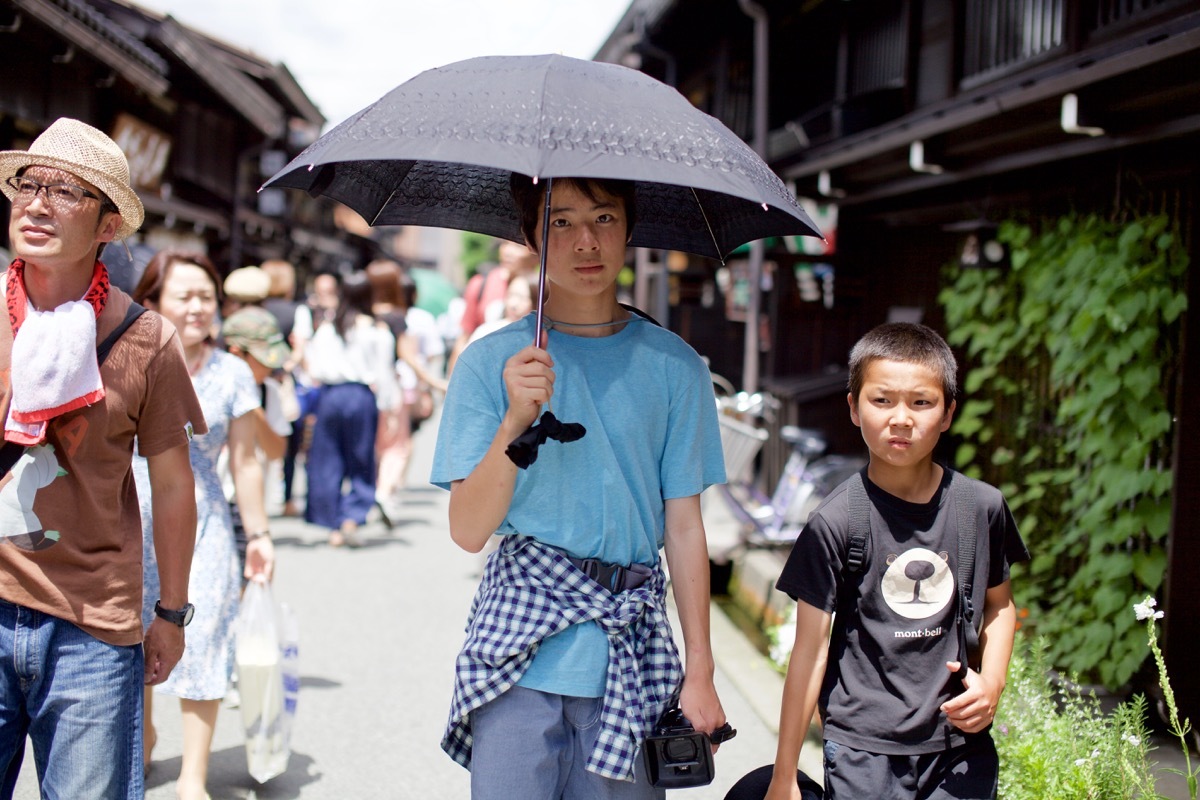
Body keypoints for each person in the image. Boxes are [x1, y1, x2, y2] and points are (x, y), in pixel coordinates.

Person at [431, 174, 727, 798]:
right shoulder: (491, 364)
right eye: (560, 222)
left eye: (604, 218)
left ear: (629, 227)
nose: (585, 242)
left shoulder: (675, 366)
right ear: (530, 236)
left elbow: (683, 524)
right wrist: (516, 419)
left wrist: (699, 664)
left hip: (632, 651)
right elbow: (467, 530)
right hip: (520, 651)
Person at [0, 117, 206, 798]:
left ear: (109, 225)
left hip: (94, 627)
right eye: (28, 185)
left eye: (66, 192)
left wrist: (171, 615)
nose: (37, 203)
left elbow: (175, 487)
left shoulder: (147, 340)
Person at [765, 322, 1031, 800]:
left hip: (958, 745)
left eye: (921, 402)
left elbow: (1001, 606)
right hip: (862, 750)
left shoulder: (981, 507)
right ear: (853, 407)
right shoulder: (835, 521)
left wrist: (993, 682)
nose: (901, 418)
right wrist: (785, 776)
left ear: (948, 413)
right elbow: (810, 650)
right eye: (882, 400)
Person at [131, 249, 276, 800]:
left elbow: (244, 461)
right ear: (151, 303)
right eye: (184, 296)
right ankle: (140, 737)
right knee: (130, 636)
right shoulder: (129, 357)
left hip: (205, 522)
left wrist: (259, 534)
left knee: (206, 635)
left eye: (206, 297)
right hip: (126, 516)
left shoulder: (234, 370)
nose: (198, 308)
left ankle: (194, 777)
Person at [303, 270, 397, 547]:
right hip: (360, 396)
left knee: (326, 459)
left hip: (330, 395)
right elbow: (384, 373)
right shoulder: (376, 331)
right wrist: (389, 409)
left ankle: (332, 522)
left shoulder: (329, 326)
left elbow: (314, 369)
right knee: (361, 458)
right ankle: (351, 517)